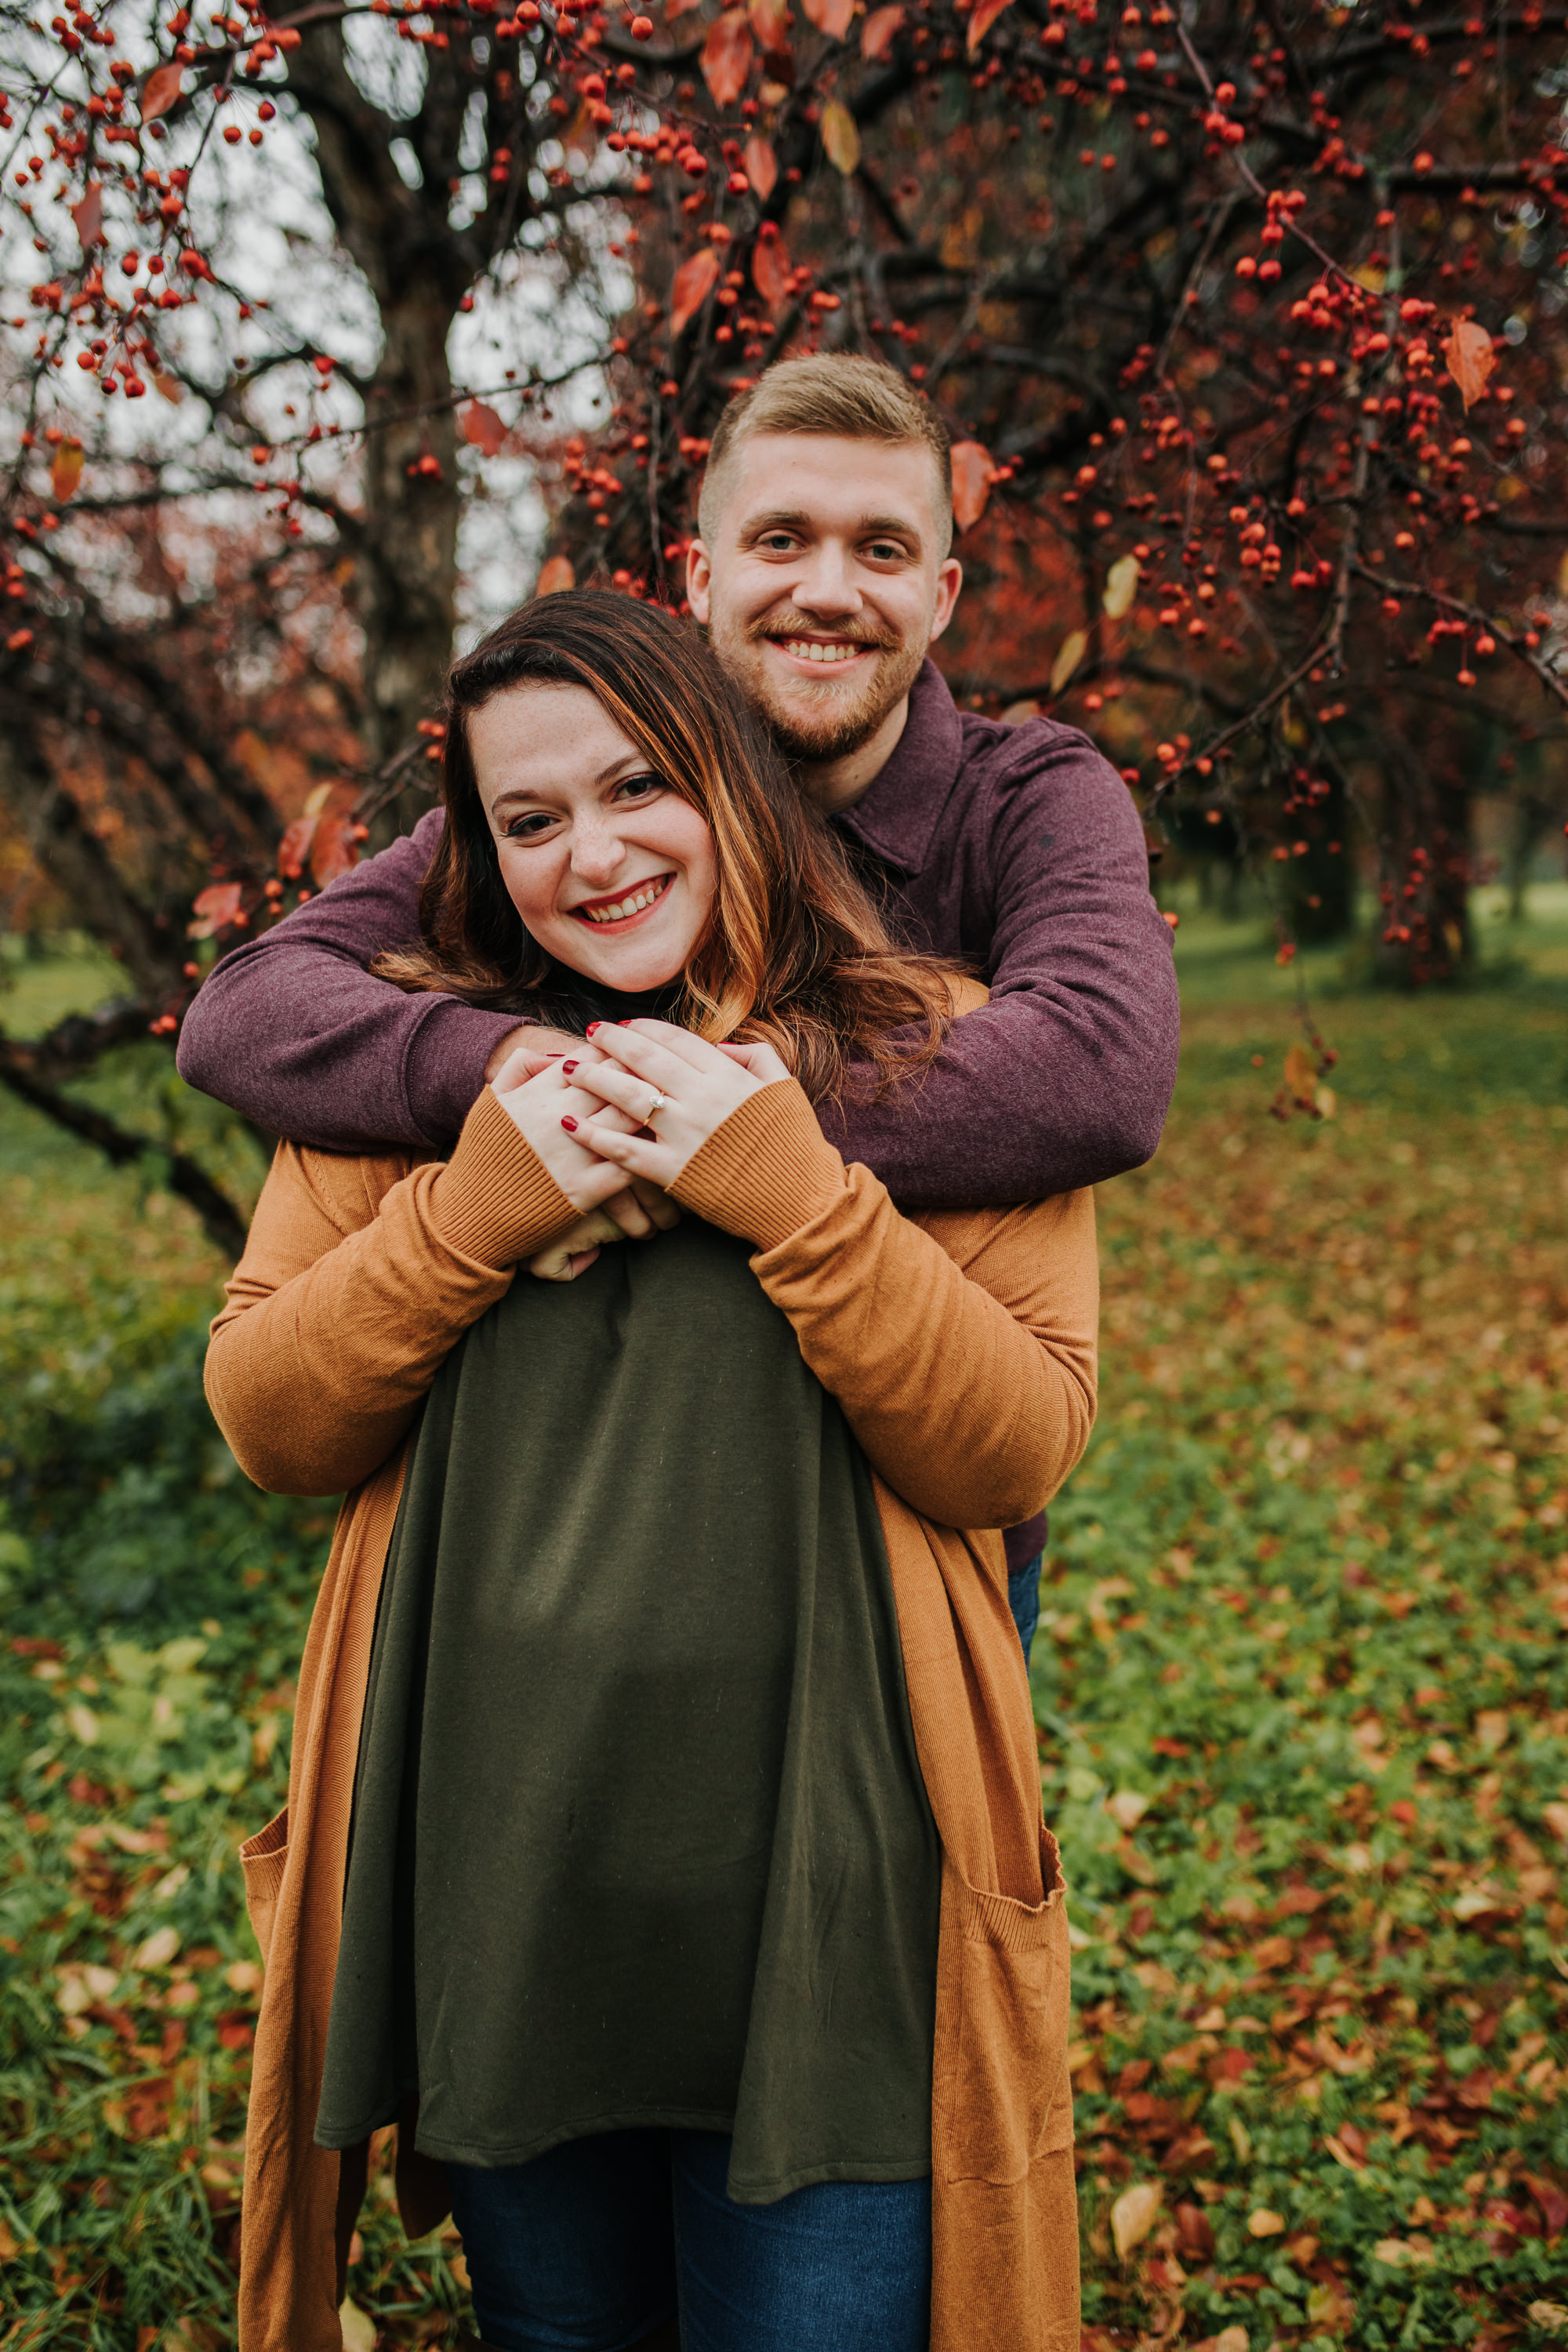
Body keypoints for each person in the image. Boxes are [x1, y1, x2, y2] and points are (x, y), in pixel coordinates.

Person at [207, 590, 1098, 2352]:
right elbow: (270, 1420)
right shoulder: (404, 1074)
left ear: (732, 778)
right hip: (503, 1886)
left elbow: (1012, 1443)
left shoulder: (946, 1057)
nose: (591, 855)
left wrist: (785, 1180)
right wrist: (477, 1208)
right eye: (529, 820)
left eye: (638, 788)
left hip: (834, 1904)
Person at [177, 354, 1178, 1665]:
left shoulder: (1030, 796)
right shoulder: (569, 812)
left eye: (880, 548)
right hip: (534, 1565)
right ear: (700, 577)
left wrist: (722, 1131)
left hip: (897, 1568)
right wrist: (524, 1068)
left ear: (937, 595)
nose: (828, 590)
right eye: (780, 540)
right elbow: (245, 1010)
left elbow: (1097, 1068)